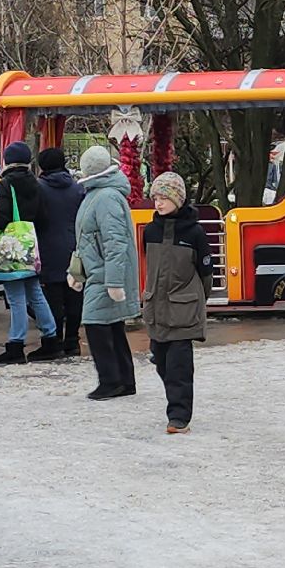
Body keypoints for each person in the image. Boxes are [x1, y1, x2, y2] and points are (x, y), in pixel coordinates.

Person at [140, 171, 211, 434]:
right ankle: (175, 401)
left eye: (164, 198)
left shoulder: (195, 233)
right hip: (157, 308)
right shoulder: (150, 231)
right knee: (161, 360)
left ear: (178, 200)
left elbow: (205, 274)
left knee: (179, 365)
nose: (158, 203)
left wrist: (195, 300)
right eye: (156, 198)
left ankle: (179, 417)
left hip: (183, 310)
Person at [73, 144, 141, 399]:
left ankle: (112, 381)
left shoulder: (105, 197)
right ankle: (124, 380)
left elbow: (115, 242)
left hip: (104, 274)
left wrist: (114, 281)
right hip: (99, 272)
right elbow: (87, 239)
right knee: (111, 326)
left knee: (96, 324)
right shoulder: (100, 194)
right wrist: (76, 272)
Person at [0, 142, 63, 364]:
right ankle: (51, 338)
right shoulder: (36, 184)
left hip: (12, 247)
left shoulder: (5, 185)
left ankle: (16, 345)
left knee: (16, 297)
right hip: (31, 245)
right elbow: (44, 217)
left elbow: (1, 216)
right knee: (35, 293)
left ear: (8, 161)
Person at [33, 146, 87, 357]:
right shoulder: (77, 188)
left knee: (52, 299)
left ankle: (54, 340)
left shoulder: (39, 189)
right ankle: (72, 340)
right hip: (74, 249)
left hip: (48, 250)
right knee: (74, 296)